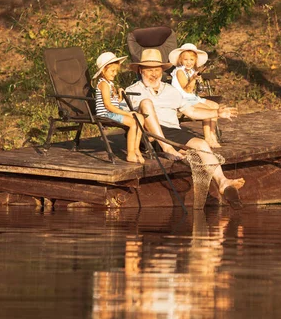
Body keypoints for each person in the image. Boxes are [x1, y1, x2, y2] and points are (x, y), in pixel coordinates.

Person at [126, 48, 245, 208]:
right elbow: (127, 118)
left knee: (202, 145)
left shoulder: (171, 90)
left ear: (162, 70)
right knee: (146, 103)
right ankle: (167, 148)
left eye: (156, 69)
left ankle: (222, 182)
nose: (153, 74)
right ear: (140, 70)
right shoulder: (132, 90)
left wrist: (217, 112)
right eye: (149, 70)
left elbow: (191, 111)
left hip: (173, 132)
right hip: (147, 135)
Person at [93, 51, 146, 164]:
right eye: (112, 71)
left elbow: (114, 102)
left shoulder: (110, 84)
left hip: (113, 112)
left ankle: (136, 149)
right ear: (103, 70)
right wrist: (126, 113)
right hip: (106, 114)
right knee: (132, 122)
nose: (115, 73)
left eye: (116, 71)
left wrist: (120, 95)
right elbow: (108, 106)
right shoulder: (103, 84)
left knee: (140, 118)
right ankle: (130, 154)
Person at [169, 43, 221, 148]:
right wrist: (193, 79)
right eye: (186, 60)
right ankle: (207, 138)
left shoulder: (192, 71)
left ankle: (212, 134)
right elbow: (187, 89)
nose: (189, 62)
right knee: (208, 111)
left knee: (215, 106)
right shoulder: (179, 72)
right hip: (182, 99)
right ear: (180, 60)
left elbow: (194, 90)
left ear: (195, 60)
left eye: (191, 60)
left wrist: (197, 79)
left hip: (192, 98)